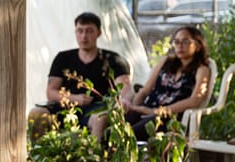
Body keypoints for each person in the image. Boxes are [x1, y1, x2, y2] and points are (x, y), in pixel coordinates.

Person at [28, 11, 132, 141]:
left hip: (96, 109)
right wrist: (73, 98)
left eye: (89, 31)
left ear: (98, 33)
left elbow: (125, 86)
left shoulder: (112, 60)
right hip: (65, 108)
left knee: (100, 118)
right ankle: (36, 156)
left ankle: (93, 156)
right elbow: (51, 91)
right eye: (80, 31)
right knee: (36, 114)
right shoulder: (63, 58)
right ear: (75, 32)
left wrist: (124, 99)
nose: (84, 36)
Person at [122, 25, 212, 141]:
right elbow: (145, 91)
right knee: (116, 127)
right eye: (176, 42)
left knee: (130, 135)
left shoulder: (201, 70)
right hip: (146, 109)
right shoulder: (166, 62)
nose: (180, 46)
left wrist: (159, 112)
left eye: (185, 42)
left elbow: (195, 100)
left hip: (169, 116)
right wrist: (134, 107)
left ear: (198, 46)